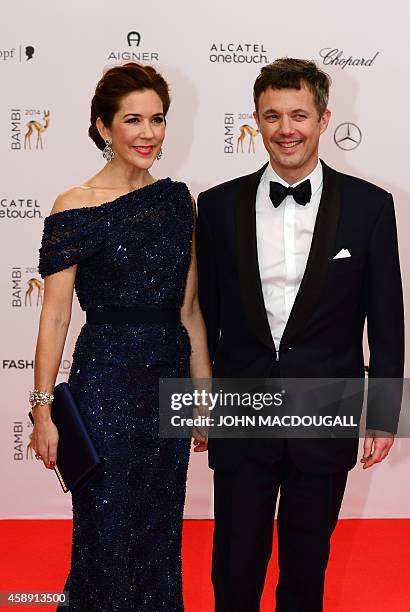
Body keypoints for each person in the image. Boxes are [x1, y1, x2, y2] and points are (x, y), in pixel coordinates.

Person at [196, 58, 404, 611]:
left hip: (326, 408)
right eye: (272, 116)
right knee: (234, 566)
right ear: (256, 122)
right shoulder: (216, 207)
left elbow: (387, 320)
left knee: (306, 568)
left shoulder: (370, 206)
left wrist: (383, 414)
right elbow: (200, 317)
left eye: (298, 115)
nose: (285, 128)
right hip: (242, 408)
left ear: (324, 118)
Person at [29, 62, 210, 611]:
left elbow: (190, 308)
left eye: (157, 119)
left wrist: (202, 393)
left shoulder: (180, 203)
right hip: (104, 383)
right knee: (103, 534)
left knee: (159, 534)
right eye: (133, 119)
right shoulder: (74, 206)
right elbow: (56, 317)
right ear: (104, 127)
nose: (148, 133)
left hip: (169, 383)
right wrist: (42, 410)